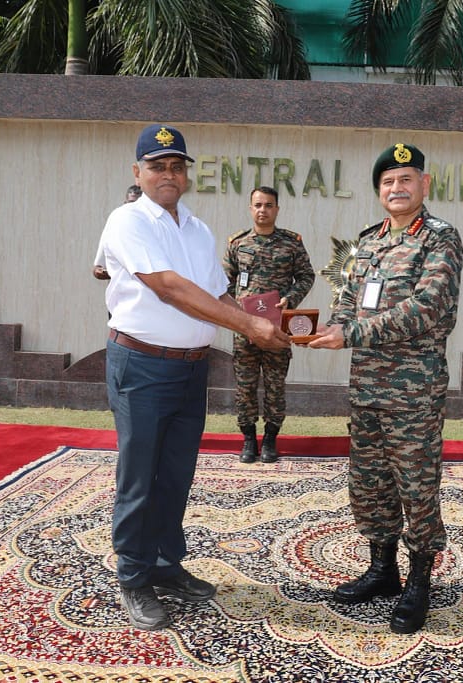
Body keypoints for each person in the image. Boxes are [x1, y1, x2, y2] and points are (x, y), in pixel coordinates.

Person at [96, 124, 291, 631]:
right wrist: (249, 325)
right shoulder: (127, 220)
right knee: (139, 475)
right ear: (137, 171)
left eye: (176, 166)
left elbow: (217, 296)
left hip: (190, 368)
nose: (168, 174)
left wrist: (265, 323)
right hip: (141, 363)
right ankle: (134, 577)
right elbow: (171, 289)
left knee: (177, 472)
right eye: (157, 165)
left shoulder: (200, 231)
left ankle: (164, 564)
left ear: (186, 175)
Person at [308, 143, 463, 634]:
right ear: (379, 191)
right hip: (367, 388)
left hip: (413, 392)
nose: (396, 189)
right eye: (387, 182)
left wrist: (350, 333)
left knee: (417, 488)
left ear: (425, 184)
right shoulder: (366, 242)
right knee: (370, 485)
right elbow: (346, 302)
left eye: (405, 179)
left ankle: (420, 582)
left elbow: (428, 306)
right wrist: (324, 326)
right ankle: (382, 569)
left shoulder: (440, 239)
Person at [222, 187, 315, 464]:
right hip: (245, 329)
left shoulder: (291, 243)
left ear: (277, 209)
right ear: (250, 209)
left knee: (275, 386)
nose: (263, 210)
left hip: (277, 329)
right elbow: (223, 283)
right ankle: (249, 439)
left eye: (269, 205)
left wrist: (291, 298)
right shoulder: (238, 243)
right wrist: (236, 308)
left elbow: (306, 276)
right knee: (245, 387)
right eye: (258, 205)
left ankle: (271, 440)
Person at [93, 186, 142, 281]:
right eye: (131, 203)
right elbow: (98, 268)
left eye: (138, 204)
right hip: (122, 292)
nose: (134, 208)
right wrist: (114, 272)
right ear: (125, 203)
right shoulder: (116, 220)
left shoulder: (156, 225)